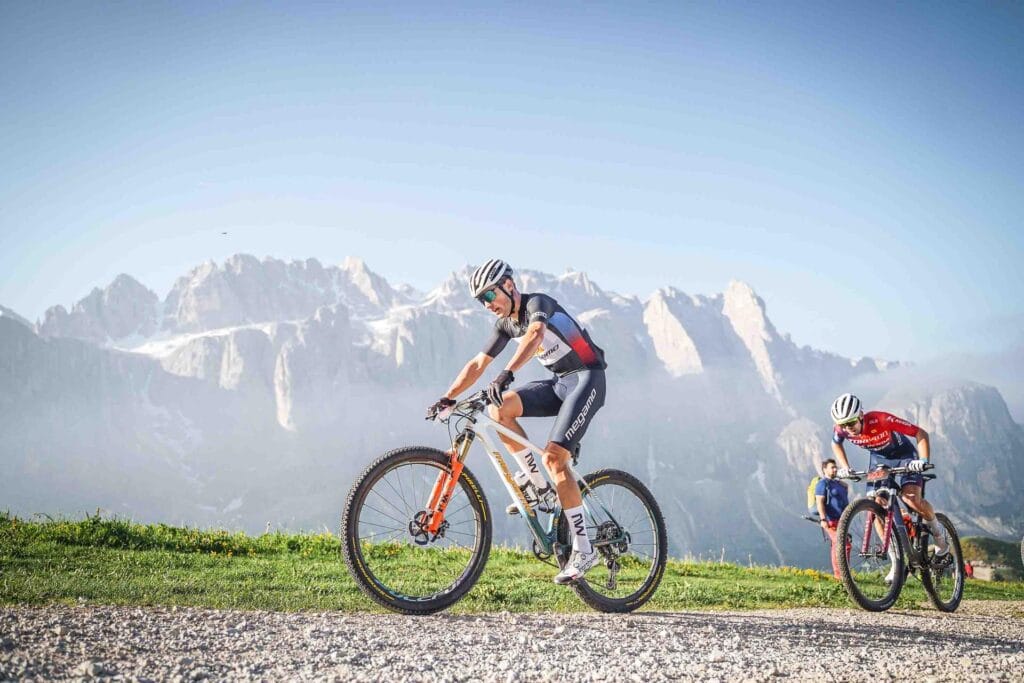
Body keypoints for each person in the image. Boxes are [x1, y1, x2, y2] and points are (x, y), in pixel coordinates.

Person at [427, 259, 608, 584]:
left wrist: (507, 374)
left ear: (509, 286)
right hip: (560, 382)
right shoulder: (505, 324)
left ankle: (584, 549)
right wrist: (449, 396)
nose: (487, 305)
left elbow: (536, 334)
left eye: (489, 296)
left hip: (586, 379)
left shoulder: (539, 304)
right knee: (500, 410)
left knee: (555, 459)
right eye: (481, 301)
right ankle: (538, 484)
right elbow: (477, 363)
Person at [829, 393, 949, 582]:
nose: (847, 428)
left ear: (861, 415)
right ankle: (896, 561)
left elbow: (920, 433)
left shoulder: (881, 419)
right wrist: (845, 467)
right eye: (842, 424)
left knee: (911, 499)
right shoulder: (842, 429)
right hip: (879, 462)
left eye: (851, 422)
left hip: (905, 456)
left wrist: (923, 460)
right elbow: (835, 444)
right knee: (875, 504)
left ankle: (940, 537)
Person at [815, 459, 850, 579]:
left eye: (836, 467)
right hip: (831, 520)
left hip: (843, 519)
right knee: (843, 544)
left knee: (837, 545)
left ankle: (842, 574)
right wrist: (823, 519)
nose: (835, 469)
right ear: (825, 469)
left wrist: (845, 486)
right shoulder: (822, 484)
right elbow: (819, 502)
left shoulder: (838, 483)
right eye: (832, 467)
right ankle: (841, 575)